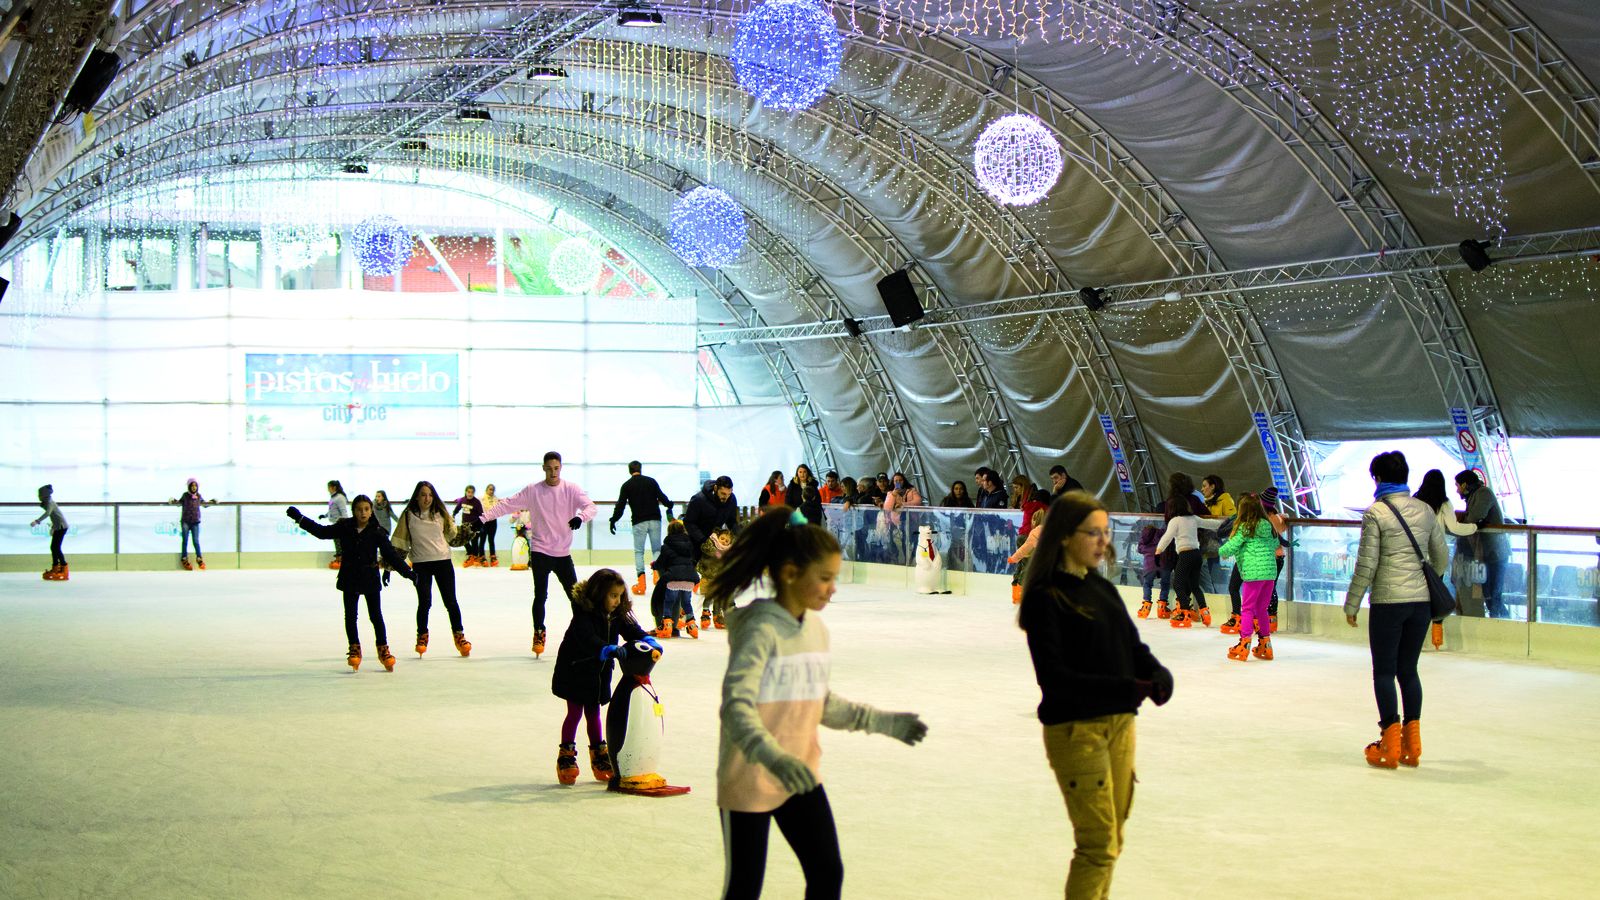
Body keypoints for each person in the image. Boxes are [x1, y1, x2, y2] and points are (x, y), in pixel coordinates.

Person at [711, 506, 929, 900]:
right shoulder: (760, 630)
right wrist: (773, 757)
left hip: (801, 773)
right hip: (751, 774)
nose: (833, 589)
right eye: (825, 578)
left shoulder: (816, 629)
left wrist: (882, 722)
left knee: (827, 872)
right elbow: (736, 707)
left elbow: (819, 703)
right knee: (745, 887)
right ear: (790, 574)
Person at [1019, 491, 1173, 899]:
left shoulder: (1101, 589)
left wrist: (1155, 673)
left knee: (1112, 840)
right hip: (1077, 730)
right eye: (1093, 532)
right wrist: (1127, 687)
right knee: (1098, 845)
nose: (1104, 540)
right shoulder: (1046, 597)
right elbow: (1056, 678)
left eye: (1106, 532)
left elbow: (1133, 646)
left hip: (1120, 724)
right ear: (1065, 536)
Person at [1345, 451, 1447, 769]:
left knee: (1384, 672)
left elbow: (1367, 563)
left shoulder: (1375, 512)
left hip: (1388, 603)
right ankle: (1412, 746)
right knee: (1409, 671)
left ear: (1377, 478)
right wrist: (1424, 581)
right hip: (1420, 603)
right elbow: (1441, 557)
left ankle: (1389, 744)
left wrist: (1352, 602)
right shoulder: (1425, 510)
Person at [480, 451, 598, 657]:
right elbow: (506, 505)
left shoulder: (571, 489)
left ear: (561, 468)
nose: (553, 472)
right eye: (549, 468)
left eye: (556, 468)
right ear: (543, 468)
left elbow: (591, 507)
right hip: (540, 550)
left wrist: (581, 517)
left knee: (576, 596)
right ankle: (539, 632)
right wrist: (482, 519)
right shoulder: (533, 490)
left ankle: (584, 633)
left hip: (562, 553)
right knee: (541, 595)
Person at [550, 569, 658, 785]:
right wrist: (606, 648)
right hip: (575, 670)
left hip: (598, 674)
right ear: (600, 594)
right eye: (613, 595)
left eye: (620, 596)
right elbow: (587, 638)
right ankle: (566, 755)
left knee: (594, 713)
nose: (617, 601)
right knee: (575, 713)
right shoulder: (583, 614)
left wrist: (647, 640)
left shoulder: (617, 614)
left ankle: (599, 753)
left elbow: (632, 630)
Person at [287, 495, 414, 672]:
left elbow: (391, 555)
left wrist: (408, 573)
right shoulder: (345, 527)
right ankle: (354, 648)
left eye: (366, 509)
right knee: (351, 616)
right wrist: (300, 518)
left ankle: (383, 649)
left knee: (376, 616)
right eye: (359, 509)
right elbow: (321, 532)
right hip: (350, 577)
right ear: (354, 511)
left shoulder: (377, 531)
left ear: (371, 511)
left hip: (369, 577)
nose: (363, 513)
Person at [390, 480, 472, 659]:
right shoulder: (409, 515)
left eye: (430, 495)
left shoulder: (441, 513)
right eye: (423, 495)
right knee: (425, 602)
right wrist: (389, 566)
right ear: (416, 497)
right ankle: (422, 636)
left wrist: (472, 529)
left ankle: (459, 636)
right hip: (421, 564)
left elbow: (453, 536)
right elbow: (399, 541)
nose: (427, 498)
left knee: (451, 602)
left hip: (443, 562)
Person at [1415, 469, 1476, 647]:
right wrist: (1474, 527)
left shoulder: (1414, 501)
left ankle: (1416, 637)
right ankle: (1436, 638)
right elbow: (1454, 527)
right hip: (1436, 556)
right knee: (1436, 596)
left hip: (1416, 554)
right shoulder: (1444, 503)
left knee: (1417, 596)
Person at [1218, 493, 1279, 662]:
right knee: (1262, 609)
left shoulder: (1246, 527)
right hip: (1269, 574)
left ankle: (1244, 643)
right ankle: (1266, 645)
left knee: (1247, 609)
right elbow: (1275, 544)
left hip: (1253, 574)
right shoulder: (1268, 526)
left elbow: (1231, 546)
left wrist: (1221, 551)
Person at [608, 461, 674, 596]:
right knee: (656, 549)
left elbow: (620, 506)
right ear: (640, 469)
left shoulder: (627, 485)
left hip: (639, 522)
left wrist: (614, 519)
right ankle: (657, 575)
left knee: (639, 552)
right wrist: (669, 504)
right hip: (655, 519)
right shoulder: (651, 481)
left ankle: (641, 584)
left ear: (629, 471)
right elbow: (662, 497)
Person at [1454, 469, 1510, 619]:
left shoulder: (1483, 493)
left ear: (1465, 484)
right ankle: (1501, 622)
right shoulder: (1475, 495)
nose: (1457, 490)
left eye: (1458, 485)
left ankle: (1502, 623)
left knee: (1494, 595)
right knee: (1489, 595)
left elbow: (1474, 517)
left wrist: (1460, 520)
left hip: (1496, 553)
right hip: (1487, 553)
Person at [1155, 478, 1210, 627]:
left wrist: (1158, 550)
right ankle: (1205, 612)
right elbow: (1210, 523)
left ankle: (1184, 613)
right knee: (1194, 586)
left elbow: (1167, 537)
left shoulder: (1175, 520)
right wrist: (1227, 523)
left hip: (1185, 555)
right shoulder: (1193, 518)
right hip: (1197, 555)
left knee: (1178, 583)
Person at [651, 520, 701, 638]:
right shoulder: (690, 545)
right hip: (689, 579)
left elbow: (661, 562)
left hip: (674, 579)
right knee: (686, 603)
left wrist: (654, 565)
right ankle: (692, 626)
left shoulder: (666, 546)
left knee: (669, 602)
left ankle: (667, 626)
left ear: (669, 531)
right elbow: (694, 560)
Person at [169, 478, 215, 570]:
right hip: (185, 521)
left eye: (195, 486)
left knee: (196, 541)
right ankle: (184, 558)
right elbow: (179, 503)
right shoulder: (185, 495)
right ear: (189, 486)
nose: (194, 487)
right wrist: (173, 500)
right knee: (185, 540)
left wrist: (213, 501)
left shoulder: (199, 496)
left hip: (195, 522)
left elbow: (205, 504)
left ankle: (199, 558)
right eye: (192, 486)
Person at [1201, 475, 1236, 593]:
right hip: (1205, 544)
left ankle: (1214, 597)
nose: (1202, 489)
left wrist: (1219, 532)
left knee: (1212, 578)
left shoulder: (1225, 500)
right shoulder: (1206, 502)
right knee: (1206, 577)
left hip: (1216, 545)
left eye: (1204, 486)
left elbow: (1232, 520)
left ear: (1212, 486)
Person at [1134, 518, 1172, 618]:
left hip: (1149, 566)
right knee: (1165, 584)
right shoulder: (1160, 533)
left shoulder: (1143, 539)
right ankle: (1162, 607)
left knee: (1147, 584)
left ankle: (1146, 606)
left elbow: (1140, 549)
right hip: (1163, 563)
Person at [1008, 508, 1046, 605]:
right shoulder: (1049, 531)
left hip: (1036, 561)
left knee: (1023, 571)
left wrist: (1014, 558)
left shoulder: (1035, 532)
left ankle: (1018, 596)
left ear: (1034, 520)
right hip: (1046, 562)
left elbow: (1025, 548)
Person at [32, 484, 69, 581]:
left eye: (40, 494)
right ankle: (55, 567)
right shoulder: (48, 502)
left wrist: (37, 521)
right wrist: (53, 527)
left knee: (56, 547)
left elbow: (48, 513)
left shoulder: (50, 503)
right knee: (53, 547)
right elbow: (55, 516)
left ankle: (64, 568)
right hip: (58, 527)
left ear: (44, 495)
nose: (38, 496)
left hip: (62, 527)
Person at [451, 485, 486, 567]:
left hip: (474, 524)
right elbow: (457, 508)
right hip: (464, 524)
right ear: (466, 492)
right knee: (462, 540)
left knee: (474, 541)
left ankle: (475, 558)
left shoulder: (476, 502)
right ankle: (470, 554)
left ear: (474, 493)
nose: (470, 494)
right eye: (468, 492)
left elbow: (481, 514)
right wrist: (453, 515)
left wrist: (480, 525)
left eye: (472, 492)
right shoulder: (462, 500)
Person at [322, 480, 351, 570]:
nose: (328, 490)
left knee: (339, 542)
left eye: (329, 487)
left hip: (340, 524)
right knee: (337, 541)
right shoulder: (333, 498)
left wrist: (344, 523)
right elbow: (332, 509)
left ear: (334, 487)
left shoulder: (339, 498)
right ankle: (339, 559)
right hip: (335, 523)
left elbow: (343, 511)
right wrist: (325, 515)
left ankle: (341, 559)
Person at [479, 484, 500, 566]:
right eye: (490, 489)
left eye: (493, 490)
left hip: (493, 521)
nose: (491, 491)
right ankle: (481, 557)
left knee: (491, 539)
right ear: (486, 489)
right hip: (484, 521)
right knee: (482, 539)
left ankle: (493, 557)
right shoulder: (481, 498)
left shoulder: (496, 499)